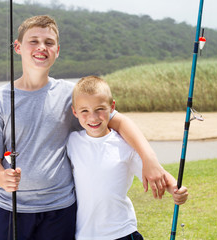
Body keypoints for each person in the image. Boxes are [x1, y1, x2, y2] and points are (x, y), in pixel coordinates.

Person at [0, 15, 167, 239]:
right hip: (11, 210)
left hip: (61, 210)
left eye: (49, 42)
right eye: (33, 41)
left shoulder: (71, 95)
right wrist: (0, 177)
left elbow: (120, 121)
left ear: (58, 50)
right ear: (17, 47)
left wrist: (150, 160)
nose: (41, 47)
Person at [67, 76, 188, 240]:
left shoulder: (125, 146)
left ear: (112, 107)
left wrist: (175, 187)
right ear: (75, 112)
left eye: (99, 109)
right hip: (85, 235)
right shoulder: (72, 141)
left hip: (123, 232)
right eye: (84, 111)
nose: (93, 117)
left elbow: (156, 173)